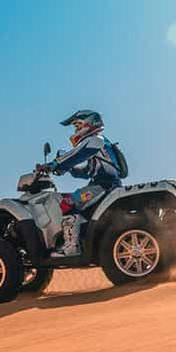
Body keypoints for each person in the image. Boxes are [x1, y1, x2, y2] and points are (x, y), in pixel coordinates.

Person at [37, 110, 127, 257]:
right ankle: (83, 237)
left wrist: (53, 164)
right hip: (105, 185)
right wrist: (70, 169)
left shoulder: (94, 139)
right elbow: (87, 170)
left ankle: (71, 247)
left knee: (68, 202)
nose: (76, 130)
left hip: (102, 186)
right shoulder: (103, 143)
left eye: (78, 125)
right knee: (78, 205)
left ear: (89, 123)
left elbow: (75, 155)